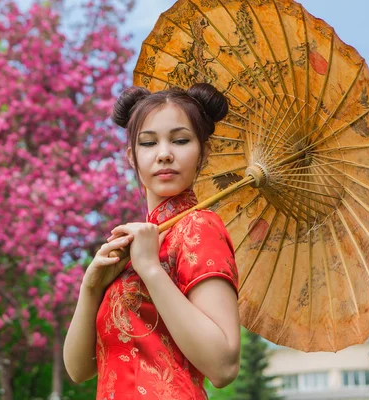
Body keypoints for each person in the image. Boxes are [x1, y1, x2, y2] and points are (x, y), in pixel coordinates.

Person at [63, 83, 241, 399]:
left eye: (181, 140)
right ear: (132, 156)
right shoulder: (137, 243)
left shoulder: (199, 228)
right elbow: (80, 370)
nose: (164, 154)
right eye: (148, 143)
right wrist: (90, 289)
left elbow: (224, 366)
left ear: (203, 151)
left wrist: (151, 269)